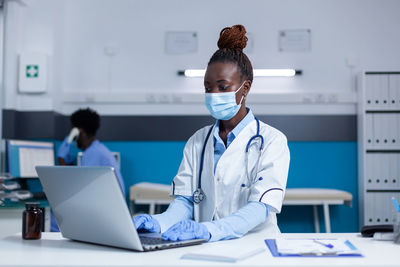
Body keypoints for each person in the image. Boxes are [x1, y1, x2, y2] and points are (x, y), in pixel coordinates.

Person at [134, 25, 290, 242]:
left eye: (223, 87)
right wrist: (160, 222)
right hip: (206, 247)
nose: (213, 94)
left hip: (257, 248)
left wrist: (210, 230)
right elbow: (186, 201)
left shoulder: (272, 141)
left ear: (245, 88)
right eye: (208, 88)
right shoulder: (198, 141)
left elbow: (261, 207)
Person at [51, 108, 125, 231]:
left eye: (71, 132)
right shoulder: (96, 150)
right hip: (107, 213)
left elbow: (75, 189)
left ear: (79, 132)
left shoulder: (93, 154)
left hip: (105, 218)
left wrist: (61, 158)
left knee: (52, 222)